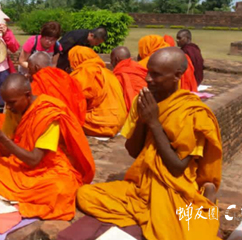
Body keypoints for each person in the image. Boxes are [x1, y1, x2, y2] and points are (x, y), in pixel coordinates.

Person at [76, 47, 223, 240]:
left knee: (179, 233)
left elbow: (177, 167)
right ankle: (148, 214)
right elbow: (133, 151)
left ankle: (179, 204)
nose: (148, 79)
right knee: (85, 195)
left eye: (156, 75)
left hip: (174, 187)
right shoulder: (143, 100)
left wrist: (154, 123)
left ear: (177, 76)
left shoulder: (192, 113)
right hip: (142, 183)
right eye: (148, 72)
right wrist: (143, 120)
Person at [0, 74, 95, 220]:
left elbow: (34, 160)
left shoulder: (47, 114)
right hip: (19, 165)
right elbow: (6, 153)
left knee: (61, 190)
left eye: (12, 103)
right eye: (6, 103)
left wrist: (1, 137)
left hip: (46, 170)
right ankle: (15, 192)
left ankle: (12, 192)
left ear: (27, 95)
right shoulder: (14, 111)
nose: (8, 107)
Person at [69, 46, 127, 137]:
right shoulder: (107, 72)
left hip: (100, 124)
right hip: (119, 122)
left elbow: (74, 100)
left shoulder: (85, 72)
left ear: (76, 59)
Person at [27, 52, 87, 125]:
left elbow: (32, 107)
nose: (28, 72)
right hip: (76, 123)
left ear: (37, 67)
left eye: (29, 69)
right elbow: (81, 101)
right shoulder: (65, 76)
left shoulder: (38, 82)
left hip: (56, 125)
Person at [111, 46, 148, 113]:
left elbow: (129, 99)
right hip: (149, 104)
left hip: (136, 111)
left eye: (111, 60)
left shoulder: (120, 74)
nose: (111, 63)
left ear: (116, 59)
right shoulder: (138, 66)